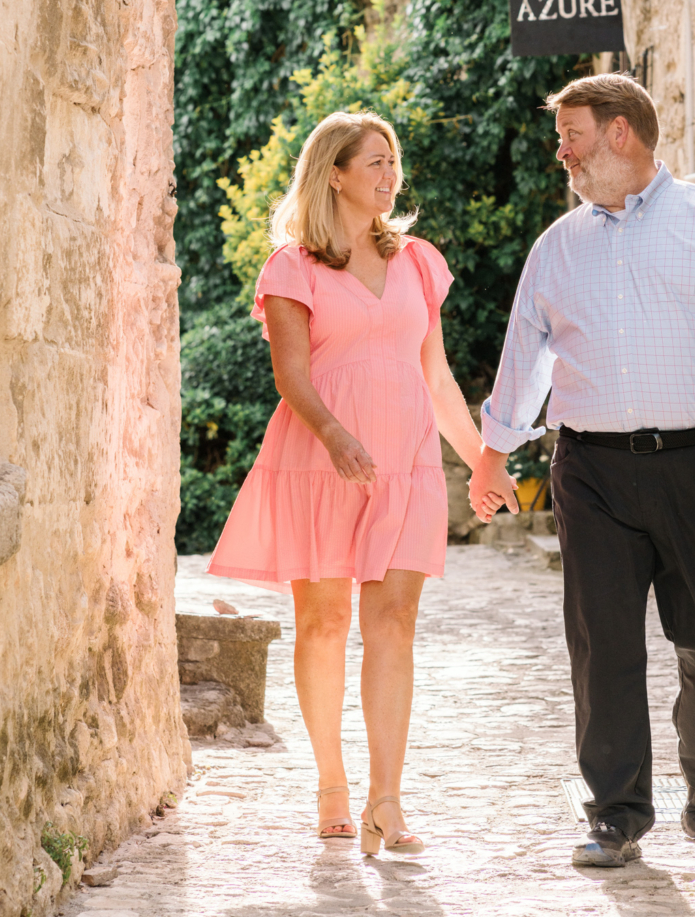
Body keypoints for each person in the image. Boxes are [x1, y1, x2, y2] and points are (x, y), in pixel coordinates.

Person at [469, 74, 695, 868]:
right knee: (601, 646)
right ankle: (617, 812)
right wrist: (494, 448)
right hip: (590, 470)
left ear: (620, 132)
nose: (563, 154)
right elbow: (525, 356)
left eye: (572, 135)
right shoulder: (557, 246)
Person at [210, 111, 514, 853]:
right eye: (373, 162)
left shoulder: (416, 262)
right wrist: (337, 436)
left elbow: (435, 376)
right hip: (321, 460)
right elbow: (292, 375)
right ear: (334, 173)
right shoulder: (292, 267)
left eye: (392, 162)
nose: (388, 175)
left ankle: (387, 797)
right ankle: (330, 781)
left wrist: (480, 456)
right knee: (322, 623)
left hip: (405, 463)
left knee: (395, 624)